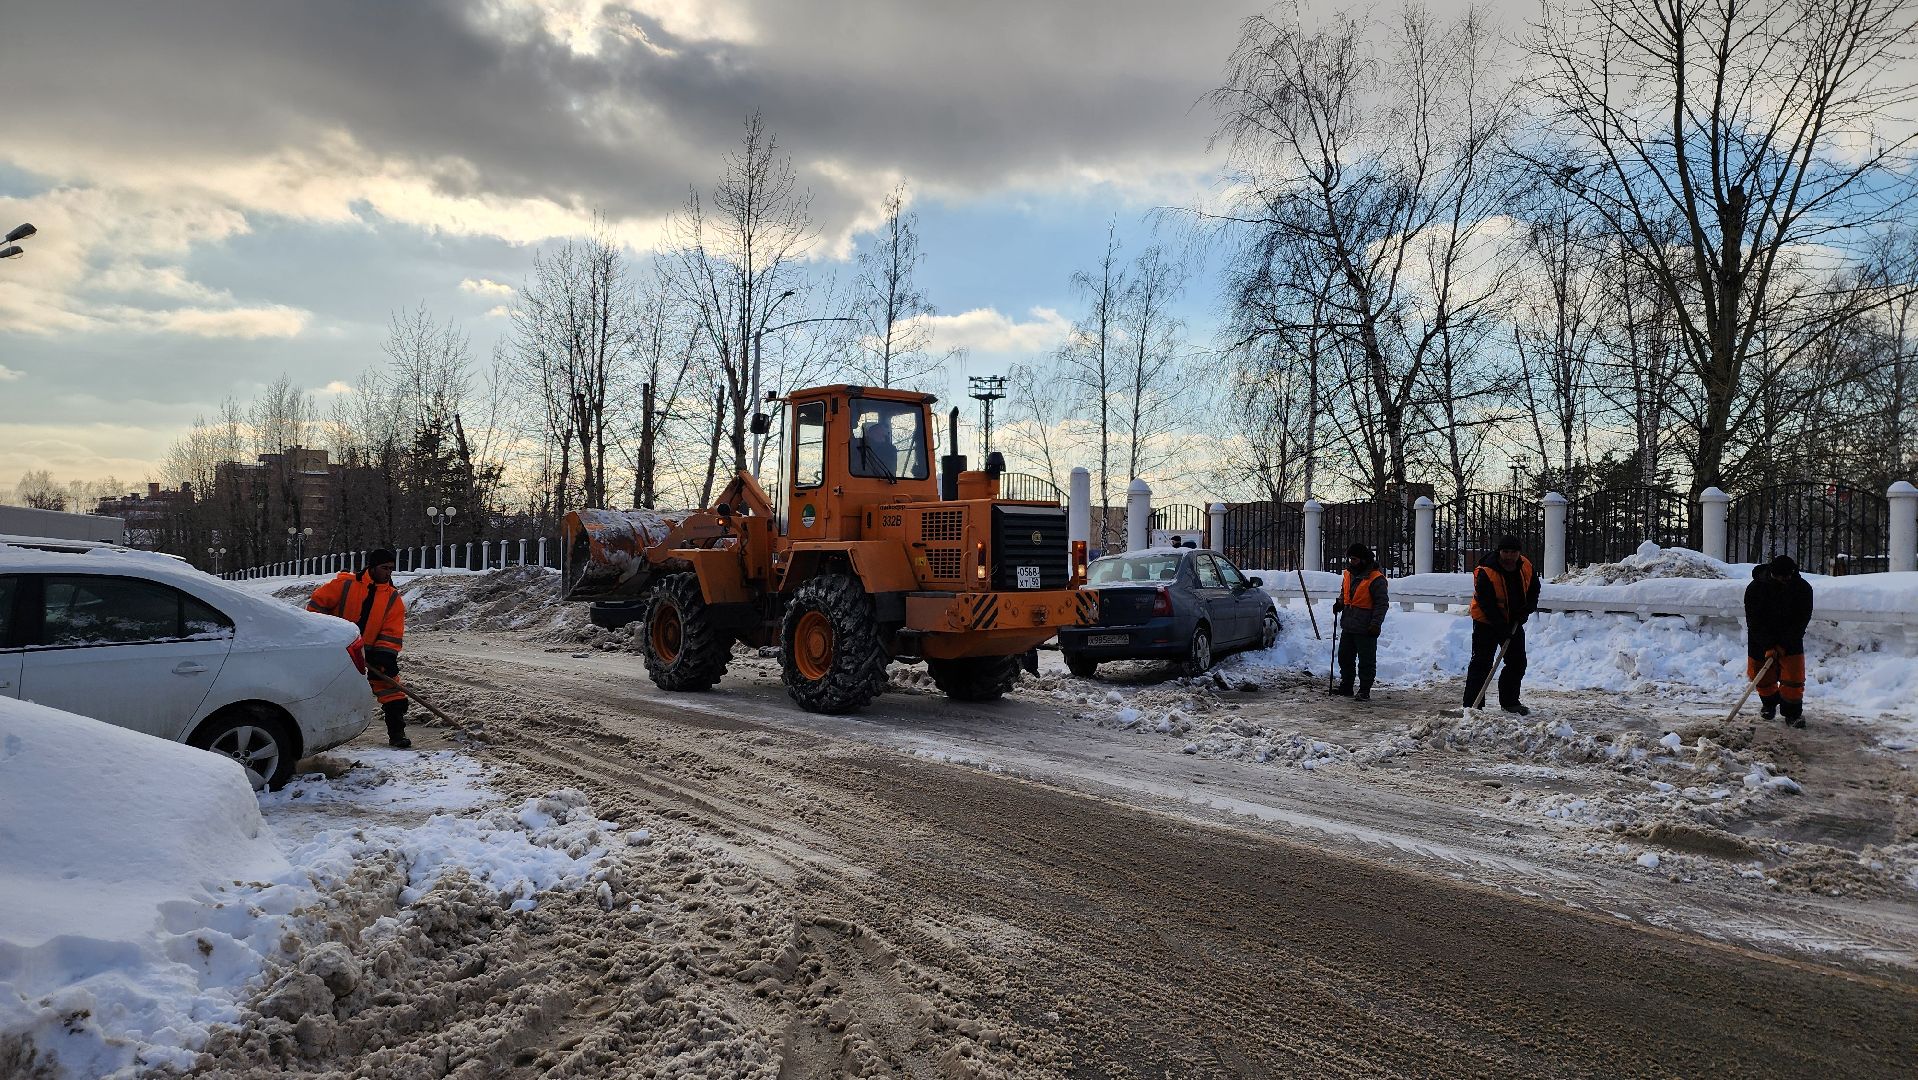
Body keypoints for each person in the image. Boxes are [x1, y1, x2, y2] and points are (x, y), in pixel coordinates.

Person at [306, 548, 411, 747]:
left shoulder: (392, 598)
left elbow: (392, 631)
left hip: (370, 655)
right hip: (337, 651)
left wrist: (386, 657)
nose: (388, 573)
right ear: (372, 567)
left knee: (392, 691)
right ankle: (314, 735)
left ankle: (397, 734)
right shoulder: (344, 584)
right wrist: (327, 634)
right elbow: (316, 606)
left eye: (391, 569)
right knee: (323, 691)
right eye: (384, 568)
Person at [1464, 534, 1540, 715]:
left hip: (1513, 621)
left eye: (1513, 552)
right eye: (1505, 551)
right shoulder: (1486, 571)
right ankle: (1472, 706)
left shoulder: (1526, 566)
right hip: (1486, 622)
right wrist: (1501, 627)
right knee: (1481, 663)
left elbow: (1534, 589)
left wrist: (1527, 609)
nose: (1509, 556)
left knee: (1517, 662)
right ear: (1499, 552)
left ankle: (1510, 702)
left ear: (1519, 553)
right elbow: (1486, 603)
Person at [1744, 555, 1815, 726]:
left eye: (1789, 576)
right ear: (1772, 574)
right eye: (1782, 577)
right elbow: (1753, 620)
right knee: (1761, 676)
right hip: (1760, 638)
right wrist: (1767, 645)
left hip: (1790, 637)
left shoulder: (1802, 588)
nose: (1786, 580)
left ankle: (1792, 714)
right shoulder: (1755, 588)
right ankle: (1769, 704)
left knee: (1793, 677)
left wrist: (1784, 644)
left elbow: (1801, 619)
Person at [1330, 542, 1388, 700]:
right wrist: (1340, 603)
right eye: (1349, 559)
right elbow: (1345, 592)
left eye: (1354, 559)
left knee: (1366, 660)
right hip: (1348, 624)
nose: (1351, 562)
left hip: (1366, 627)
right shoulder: (1348, 573)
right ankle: (1346, 686)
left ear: (1363, 559)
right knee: (1344, 657)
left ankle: (1364, 690)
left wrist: (1375, 624)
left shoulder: (1376, 578)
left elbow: (1382, 604)